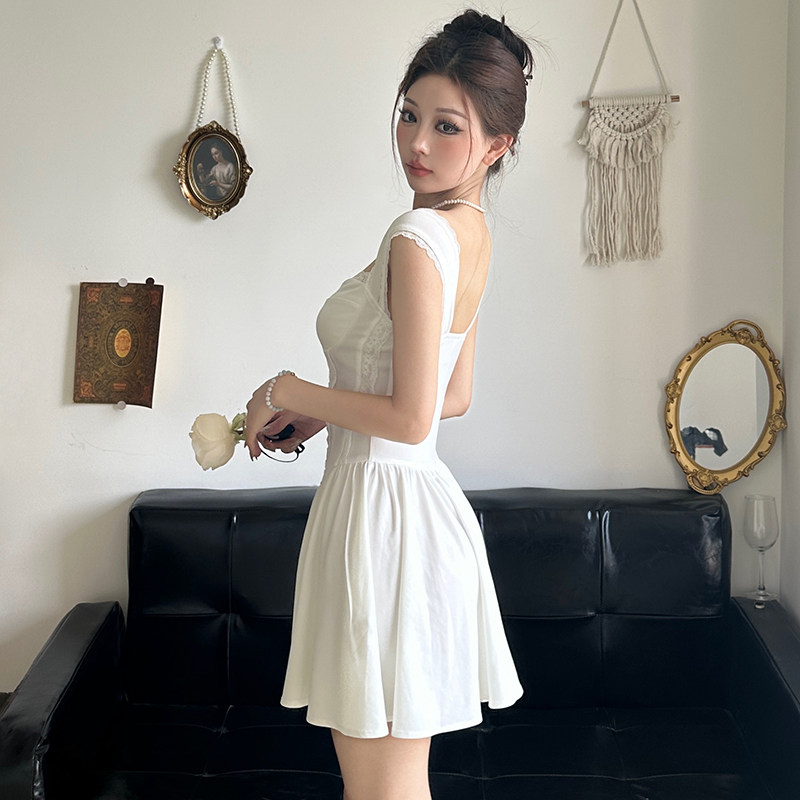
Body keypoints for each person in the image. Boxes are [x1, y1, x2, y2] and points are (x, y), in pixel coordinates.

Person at [244, 10, 534, 799]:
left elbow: (414, 417)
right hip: (411, 512)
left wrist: (286, 390)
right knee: (386, 783)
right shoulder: (470, 233)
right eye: (410, 114)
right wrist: (323, 412)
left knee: (380, 787)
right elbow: (452, 396)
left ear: (497, 145)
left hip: (380, 519)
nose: (418, 142)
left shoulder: (416, 235)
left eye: (448, 126)